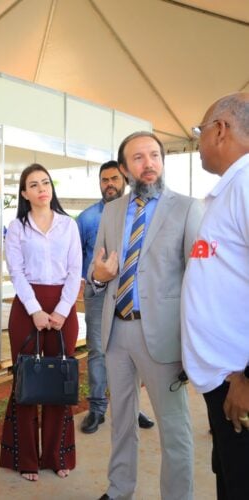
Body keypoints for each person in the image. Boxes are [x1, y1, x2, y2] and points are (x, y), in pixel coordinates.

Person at [88, 131, 203, 500]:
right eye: (138, 158)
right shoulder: (112, 210)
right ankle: (119, 490)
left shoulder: (187, 208)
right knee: (122, 421)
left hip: (163, 336)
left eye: (154, 155)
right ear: (124, 169)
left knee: (174, 429)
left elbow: (198, 281)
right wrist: (98, 277)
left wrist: (191, 343)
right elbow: (97, 269)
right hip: (116, 332)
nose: (148, 163)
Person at [181, 92, 249, 500]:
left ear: (220, 130)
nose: (198, 140)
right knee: (229, 475)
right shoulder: (229, 189)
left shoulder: (246, 186)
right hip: (222, 378)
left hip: (238, 380)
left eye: (199, 131)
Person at [0, 163, 82, 482]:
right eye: (33, 184)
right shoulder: (16, 227)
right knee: (27, 381)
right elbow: (16, 272)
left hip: (63, 308)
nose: (41, 188)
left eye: (45, 182)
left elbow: (76, 271)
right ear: (24, 193)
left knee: (59, 381)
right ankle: (26, 459)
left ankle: (56, 456)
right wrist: (34, 310)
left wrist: (62, 310)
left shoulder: (68, 225)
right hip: (26, 308)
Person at [76, 161, 154, 434]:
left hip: (133, 294)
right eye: (104, 179)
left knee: (135, 351)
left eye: (114, 179)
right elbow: (77, 260)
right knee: (98, 350)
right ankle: (97, 409)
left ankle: (133, 407)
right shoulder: (87, 219)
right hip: (98, 295)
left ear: (124, 180)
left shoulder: (142, 214)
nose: (109, 184)